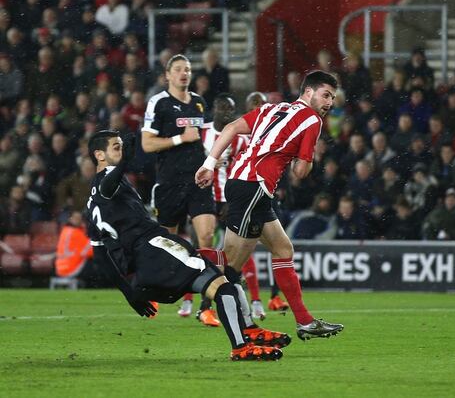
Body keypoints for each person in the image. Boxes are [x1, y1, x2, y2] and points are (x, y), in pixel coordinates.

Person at [87, 130, 286, 361]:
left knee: (226, 268)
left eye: (122, 146)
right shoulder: (107, 182)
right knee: (222, 285)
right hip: (155, 249)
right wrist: (125, 163)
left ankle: (250, 330)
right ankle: (241, 346)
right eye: (116, 147)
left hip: (145, 271)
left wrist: (129, 292)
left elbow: (101, 255)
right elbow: (107, 186)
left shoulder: (91, 205)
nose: (122, 151)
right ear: (99, 155)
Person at [196, 70, 344, 340]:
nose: (329, 103)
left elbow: (230, 129)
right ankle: (178, 261)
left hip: (247, 185)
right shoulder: (312, 119)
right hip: (253, 186)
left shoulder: (271, 108)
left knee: (282, 248)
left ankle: (303, 321)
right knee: (230, 264)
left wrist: (208, 164)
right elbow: (300, 172)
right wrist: (310, 156)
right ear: (308, 92)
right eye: (325, 95)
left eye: (332, 98)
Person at [140, 54, 218, 321]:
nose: (184, 73)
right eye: (179, 69)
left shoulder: (198, 102)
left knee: (207, 236)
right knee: (165, 243)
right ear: (168, 75)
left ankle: (206, 307)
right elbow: (147, 144)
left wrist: (214, 160)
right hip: (170, 183)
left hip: (198, 181)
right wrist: (178, 139)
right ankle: (153, 292)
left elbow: (207, 138)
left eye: (188, 69)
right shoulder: (158, 103)